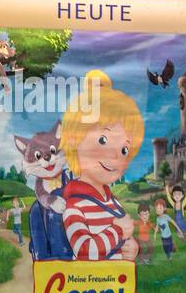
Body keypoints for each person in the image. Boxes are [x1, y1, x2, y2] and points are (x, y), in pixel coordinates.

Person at [57, 70, 142, 262]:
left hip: (116, 289)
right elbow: (86, 252)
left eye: (124, 150)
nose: (115, 156)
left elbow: (123, 240)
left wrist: (132, 248)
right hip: (87, 289)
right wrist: (119, 230)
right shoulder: (74, 205)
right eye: (103, 140)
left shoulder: (114, 202)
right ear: (73, 140)